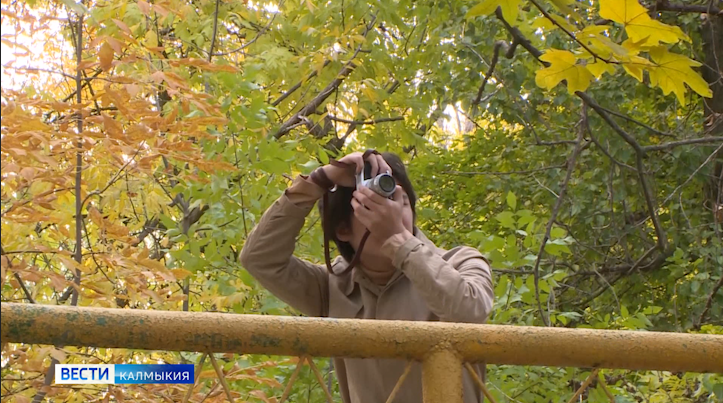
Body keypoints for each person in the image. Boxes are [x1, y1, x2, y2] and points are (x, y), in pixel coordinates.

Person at [240, 150, 494, 403]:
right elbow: (259, 259)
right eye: (374, 205)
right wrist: (319, 181)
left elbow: (469, 311)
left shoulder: (460, 262)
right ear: (342, 229)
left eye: (401, 202)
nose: (393, 213)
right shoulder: (332, 285)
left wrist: (400, 242)